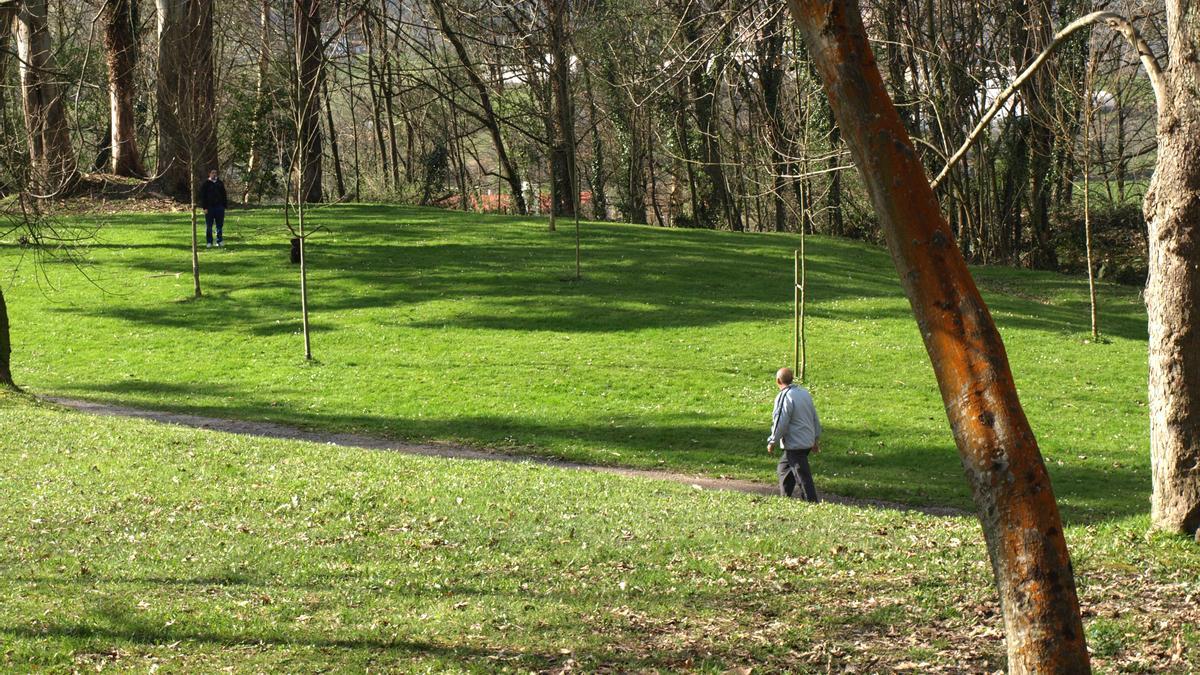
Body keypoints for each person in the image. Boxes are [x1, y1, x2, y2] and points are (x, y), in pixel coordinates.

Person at [767, 367, 821, 501]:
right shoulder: (804, 393)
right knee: (784, 468)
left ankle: (811, 501)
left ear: (778, 380)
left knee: (802, 475)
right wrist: (815, 439)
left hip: (795, 442)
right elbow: (814, 417)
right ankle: (785, 498)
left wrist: (773, 440)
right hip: (807, 440)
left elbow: (780, 420)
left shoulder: (784, 396)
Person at [199, 169, 228, 248]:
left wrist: (224, 206)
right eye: (212, 173)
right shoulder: (206, 184)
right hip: (209, 208)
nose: (214, 174)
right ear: (209, 174)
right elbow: (203, 197)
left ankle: (219, 240)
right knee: (209, 226)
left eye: (215, 173)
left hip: (219, 207)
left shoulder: (220, 183)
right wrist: (204, 207)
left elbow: (224, 194)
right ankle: (209, 242)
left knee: (219, 225)